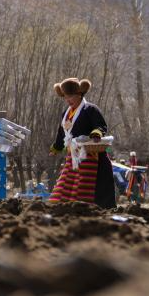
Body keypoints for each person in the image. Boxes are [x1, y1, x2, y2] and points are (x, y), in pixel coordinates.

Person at [48, 78, 116, 208]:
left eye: (71, 96)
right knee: (66, 185)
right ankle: (64, 208)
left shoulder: (90, 109)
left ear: (79, 94)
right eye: (66, 97)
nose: (68, 100)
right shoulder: (66, 113)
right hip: (73, 157)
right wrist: (57, 147)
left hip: (92, 156)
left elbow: (101, 125)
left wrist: (96, 133)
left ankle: (91, 210)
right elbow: (62, 133)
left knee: (90, 187)